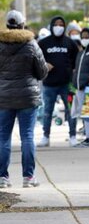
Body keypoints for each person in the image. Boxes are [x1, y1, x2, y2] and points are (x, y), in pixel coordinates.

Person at [0, 10, 48, 188]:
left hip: (3, 97)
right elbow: (42, 72)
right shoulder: (31, 45)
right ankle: (28, 177)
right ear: (22, 25)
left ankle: (2, 177)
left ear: (7, 25)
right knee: (27, 136)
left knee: (3, 137)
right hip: (28, 97)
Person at [37, 16, 79, 147]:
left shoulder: (70, 43)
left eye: (61, 24)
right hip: (49, 84)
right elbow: (36, 59)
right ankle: (45, 136)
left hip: (67, 84)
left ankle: (73, 135)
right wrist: (44, 65)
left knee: (71, 110)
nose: (59, 26)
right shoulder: (43, 43)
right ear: (51, 25)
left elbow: (76, 60)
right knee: (47, 111)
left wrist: (73, 70)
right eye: (56, 24)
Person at [72, 27, 89, 147]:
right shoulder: (81, 53)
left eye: (87, 37)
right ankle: (88, 137)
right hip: (80, 88)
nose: (84, 39)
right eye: (82, 37)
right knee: (86, 114)